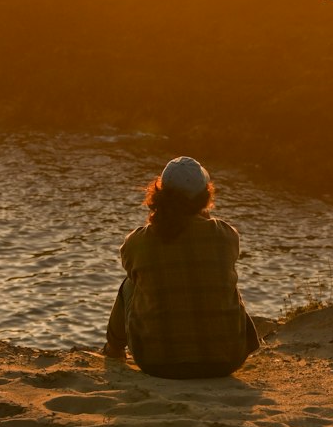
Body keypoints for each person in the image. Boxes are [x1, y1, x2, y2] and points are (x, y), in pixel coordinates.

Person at [104, 155, 261, 379]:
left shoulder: (137, 242)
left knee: (130, 283)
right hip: (226, 360)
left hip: (156, 362)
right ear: (205, 195)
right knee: (221, 278)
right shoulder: (226, 236)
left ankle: (114, 350)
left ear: (160, 194)